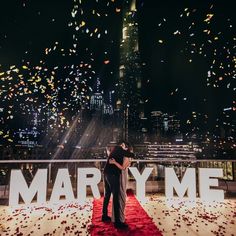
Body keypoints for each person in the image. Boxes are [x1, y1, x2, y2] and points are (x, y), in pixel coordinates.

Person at [102, 141, 134, 229]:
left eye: (123, 145)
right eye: (122, 145)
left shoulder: (117, 152)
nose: (122, 146)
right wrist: (129, 154)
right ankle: (117, 222)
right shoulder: (119, 149)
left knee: (107, 195)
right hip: (112, 175)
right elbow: (131, 156)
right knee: (116, 198)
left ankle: (104, 216)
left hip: (106, 174)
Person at [109, 146, 132, 224]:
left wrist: (114, 163)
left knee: (121, 196)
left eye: (124, 148)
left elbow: (122, 168)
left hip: (122, 177)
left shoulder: (127, 158)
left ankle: (120, 218)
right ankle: (116, 218)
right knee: (119, 196)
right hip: (119, 176)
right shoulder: (123, 157)